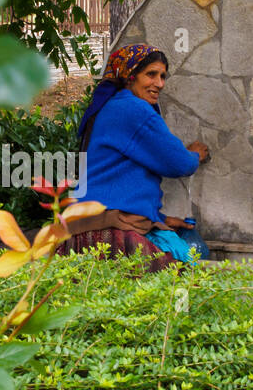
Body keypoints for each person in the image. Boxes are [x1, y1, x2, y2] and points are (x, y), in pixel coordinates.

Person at [61, 43, 211, 269]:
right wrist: (195, 155)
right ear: (130, 76)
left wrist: (158, 219)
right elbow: (178, 163)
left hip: (84, 229)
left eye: (162, 76)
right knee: (176, 286)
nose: (159, 83)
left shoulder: (109, 107)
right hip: (109, 232)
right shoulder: (134, 109)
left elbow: (120, 177)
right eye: (151, 74)